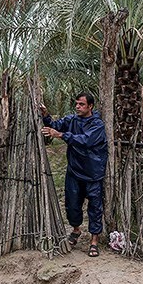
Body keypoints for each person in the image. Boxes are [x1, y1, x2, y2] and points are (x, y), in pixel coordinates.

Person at [40, 92, 108, 257]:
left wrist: (62, 135)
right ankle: (76, 230)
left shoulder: (97, 125)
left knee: (94, 208)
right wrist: (46, 116)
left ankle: (94, 241)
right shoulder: (71, 120)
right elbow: (56, 125)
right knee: (72, 205)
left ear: (90, 106)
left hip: (93, 173)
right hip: (74, 171)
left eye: (81, 104)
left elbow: (85, 140)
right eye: (76, 104)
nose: (77, 107)